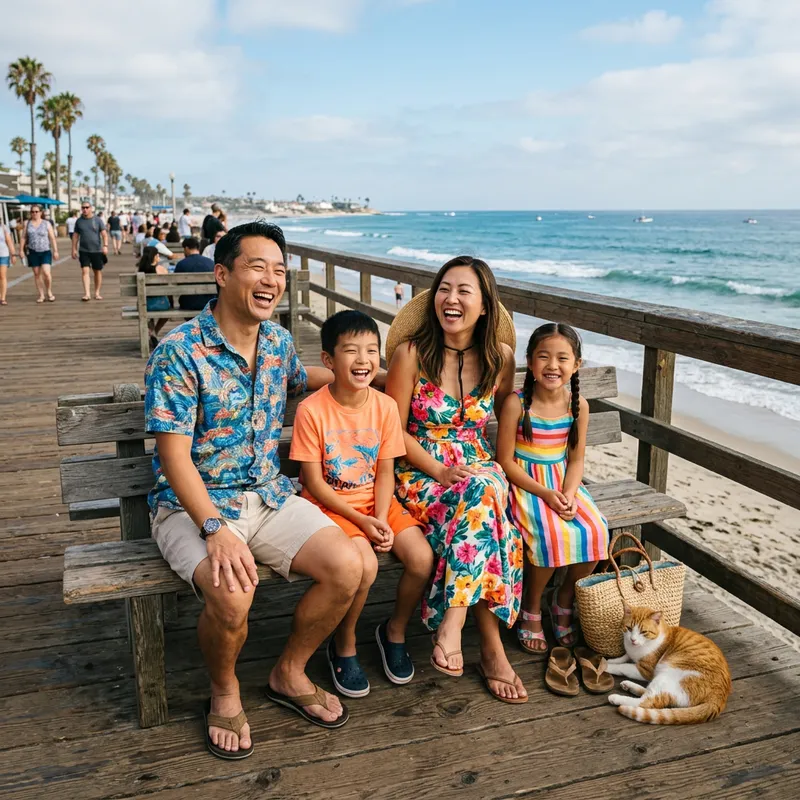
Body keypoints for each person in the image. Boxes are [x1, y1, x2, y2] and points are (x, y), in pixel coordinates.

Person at [145, 220, 358, 759]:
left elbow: (297, 377)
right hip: (191, 507)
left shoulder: (279, 342)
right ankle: (224, 689)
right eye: (257, 267)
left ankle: (289, 672)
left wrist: (360, 374)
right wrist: (213, 529)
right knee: (234, 593)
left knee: (348, 568)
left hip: (267, 496)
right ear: (221, 274)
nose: (272, 280)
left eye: (280, 270)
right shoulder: (180, 351)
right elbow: (172, 456)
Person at [385, 256, 527, 703]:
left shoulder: (500, 358)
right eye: (444, 288)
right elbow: (394, 431)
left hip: (479, 465)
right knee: (488, 512)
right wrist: (441, 470)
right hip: (421, 467)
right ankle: (488, 646)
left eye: (464, 291)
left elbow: (504, 413)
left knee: (484, 491)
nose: (451, 299)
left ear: (485, 305)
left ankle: (456, 621)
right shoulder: (411, 354)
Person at [290, 311, 433, 697]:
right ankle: (345, 640)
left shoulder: (385, 407)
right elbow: (314, 484)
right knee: (366, 566)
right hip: (333, 508)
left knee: (421, 559)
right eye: (351, 351)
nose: (364, 360)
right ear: (328, 360)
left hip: (378, 503)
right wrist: (361, 519)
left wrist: (382, 517)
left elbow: (385, 471)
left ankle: (394, 630)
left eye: (372, 351)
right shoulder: (312, 411)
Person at [497, 323, 608, 656]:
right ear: (530, 362)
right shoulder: (517, 405)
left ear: (576, 365)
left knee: (595, 532)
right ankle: (531, 607)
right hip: (525, 484)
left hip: (562, 483)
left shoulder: (578, 406)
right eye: (543, 357)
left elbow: (575, 460)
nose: (552, 365)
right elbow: (505, 461)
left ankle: (563, 600)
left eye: (562, 358)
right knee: (550, 536)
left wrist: (570, 494)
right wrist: (545, 494)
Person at [21, 204, 58, 303]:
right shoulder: (27, 223)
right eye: (32, 212)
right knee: (37, 274)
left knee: (46, 273)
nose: (34, 213)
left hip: (45, 250)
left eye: (36, 211)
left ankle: (49, 291)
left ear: (41, 213)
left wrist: (55, 251)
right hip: (33, 251)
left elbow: (52, 238)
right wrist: (20, 250)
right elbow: (24, 237)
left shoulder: (46, 223)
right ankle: (41, 295)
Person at [72, 201, 108, 301]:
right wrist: (74, 249)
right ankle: (87, 294)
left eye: (87, 207)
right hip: (84, 250)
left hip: (96, 250)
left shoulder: (98, 220)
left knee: (97, 271)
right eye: (83, 207)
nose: (85, 209)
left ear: (91, 208)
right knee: (85, 271)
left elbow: (104, 234)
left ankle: (97, 292)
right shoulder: (79, 221)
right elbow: (75, 236)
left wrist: (105, 246)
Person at [138, 245, 171, 349]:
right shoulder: (160, 269)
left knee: (147, 312)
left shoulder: (140, 270)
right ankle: (155, 331)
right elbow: (168, 285)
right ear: (155, 256)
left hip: (145, 304)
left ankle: (152, 332)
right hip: (162, 304)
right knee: (167, 312)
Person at [174, 237, 215, 311]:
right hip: (209, 302)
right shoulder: (211, 263)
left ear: (186, 248)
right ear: (198, 248)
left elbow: (177, 284)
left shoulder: (181, 264)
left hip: (188, 303)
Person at [0, 221, 17, 305]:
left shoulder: (3, 227)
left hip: (3, 254)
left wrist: (13, 254)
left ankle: (2, 298)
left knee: (2, 275)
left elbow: (9, 241)